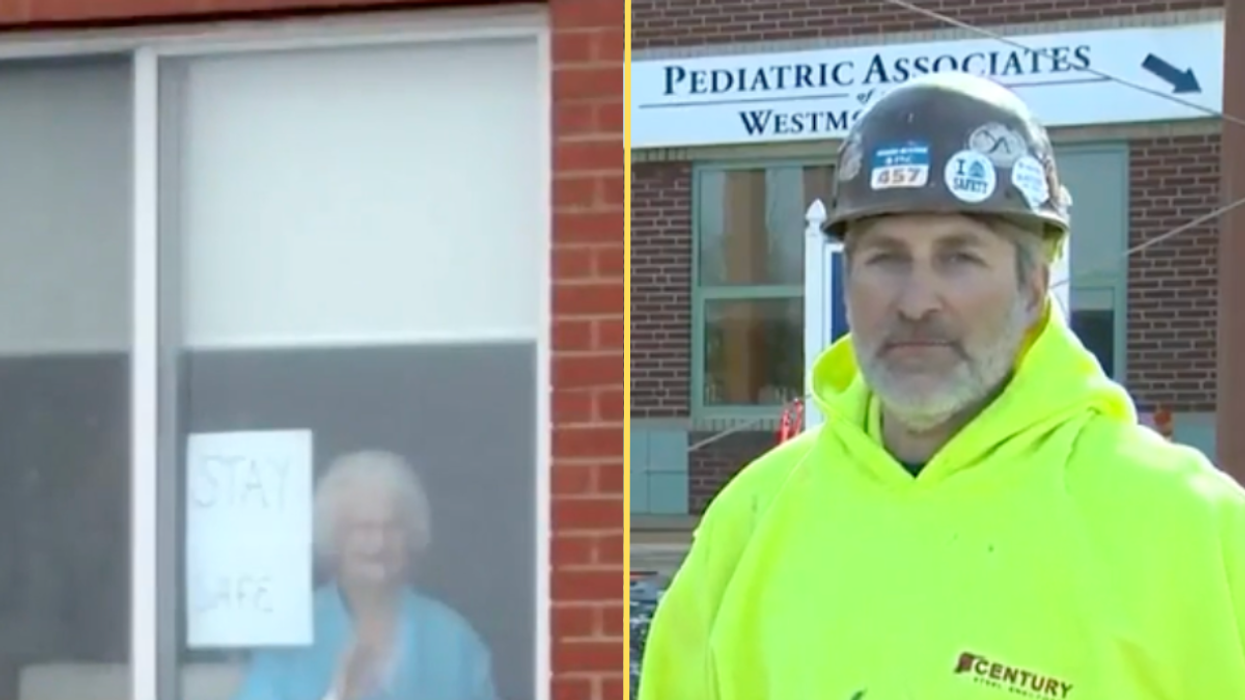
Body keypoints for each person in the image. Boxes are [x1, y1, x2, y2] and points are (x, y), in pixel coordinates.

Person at [637, 72, 1245, 699]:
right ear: (848, 282)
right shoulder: (750, 525)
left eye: (959, 256)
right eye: (886, 257)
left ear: (1033, 288)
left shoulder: (1192, 532)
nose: (917, 301)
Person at [232, 449, 497, 700]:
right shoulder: (292, 633)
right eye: (362, 529)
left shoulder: (451, 638)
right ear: (335, 537)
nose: (378, 543)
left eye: (392, 527)